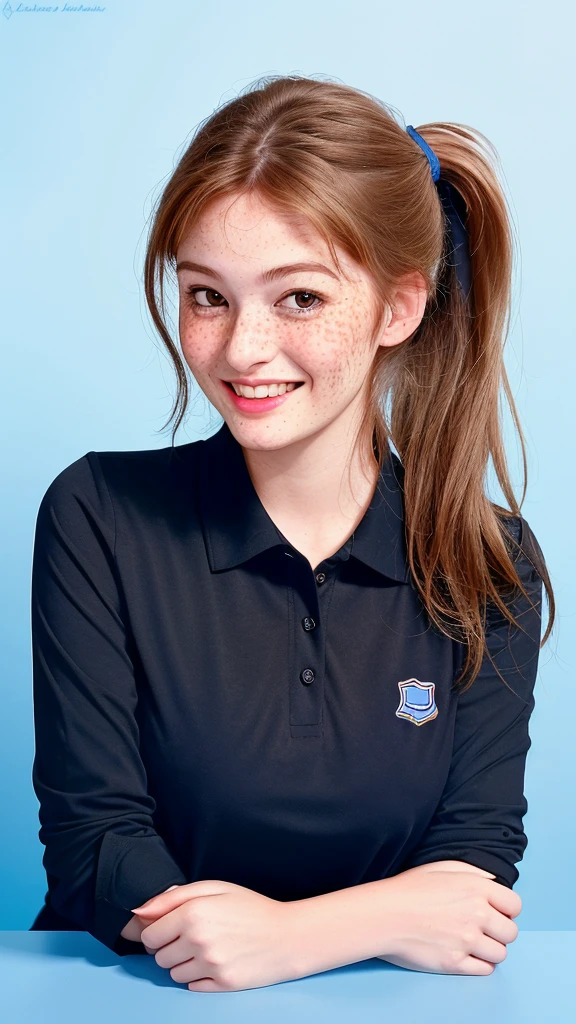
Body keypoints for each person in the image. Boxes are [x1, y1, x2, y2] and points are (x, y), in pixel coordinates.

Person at [29, 74, 555, 992]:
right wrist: (373, 920)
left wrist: (287, 940)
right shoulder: (96, 516)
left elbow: (474, 881)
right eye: (207, 296)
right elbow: (96, 854)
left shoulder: (492, 565)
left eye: (300, 298)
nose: (240, 351)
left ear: (399, 307)